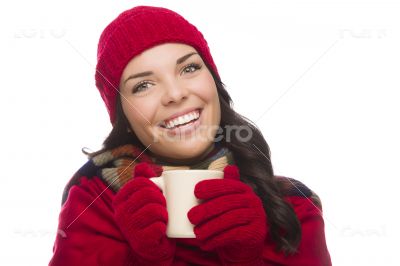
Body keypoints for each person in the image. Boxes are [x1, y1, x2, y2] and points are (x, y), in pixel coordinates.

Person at [49, 5, 332, 266]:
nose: (175, 94)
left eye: (189, 68)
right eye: (144, 85)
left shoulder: (293, 205)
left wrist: (249, 258)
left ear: (213, 81)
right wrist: (143, 260)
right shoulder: (93, 201)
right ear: (123, 117)